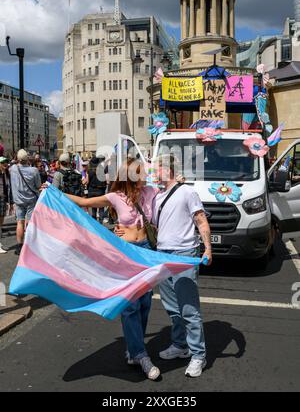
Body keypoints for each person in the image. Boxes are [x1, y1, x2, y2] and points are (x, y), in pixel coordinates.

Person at [65, 158, 160, 381]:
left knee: (145, 303)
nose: (145, 175)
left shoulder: (150, 191)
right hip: (126, 252)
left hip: (146, 252)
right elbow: (83, 202)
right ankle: (140, 354)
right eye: (141, 172)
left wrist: (181, 181)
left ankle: (133, 349)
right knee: (130, 305)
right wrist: (52, 192)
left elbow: (170, 187)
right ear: (131, 176)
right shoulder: (115, 197)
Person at [152, 154, 212, 378]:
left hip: (184, 254)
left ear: (167, 169)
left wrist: (207, 248)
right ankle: (180, 345)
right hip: (162, 254)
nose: (152, 173)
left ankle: (198, 355)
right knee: (172, 307)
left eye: (156, 168)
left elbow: (200, 220)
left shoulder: (187, 192)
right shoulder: (158, 196)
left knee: (189, 308)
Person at [9, 149, 41, 255]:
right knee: (30, 222)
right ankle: (30, 245)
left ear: (18, 159)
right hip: (31, 199)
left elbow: (12, 164)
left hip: (18, 200)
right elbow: (38, 185)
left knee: (20, 222)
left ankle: (19, 246)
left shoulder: (12, 169)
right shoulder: (34, 170)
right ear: (27, 159)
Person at [86, 156, 108, 222]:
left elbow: (87, 181)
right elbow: (107, 180)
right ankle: (101, 223)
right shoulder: (103, 168)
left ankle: (94, 224)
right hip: (100, 190)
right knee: (101, 207)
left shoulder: (89, 169)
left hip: (91, 190)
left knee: (93, 207)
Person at [0, 157, 13, 254]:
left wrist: (10, 202)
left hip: (3, 200)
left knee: (1, 223)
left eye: (6, 162)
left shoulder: (6, 174)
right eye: (3, 162)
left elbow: (8, 189)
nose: (5, 164)